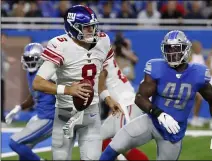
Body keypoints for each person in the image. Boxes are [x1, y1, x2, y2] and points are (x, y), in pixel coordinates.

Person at [100, 30, 212, 160]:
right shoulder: (157, 68)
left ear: (186, 49)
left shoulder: (197, 73)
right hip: (151, 121)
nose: (172, 53)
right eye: (169, 49)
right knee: (115, 145)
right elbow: (140, 98)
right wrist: (159, 114)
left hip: (174, 132)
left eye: (176, 48)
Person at [32, 5, 122, 160]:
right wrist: (68, 90)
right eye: (86, 28)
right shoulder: (60, 45)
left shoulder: (103, 41)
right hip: (65, 114)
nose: (91, 31)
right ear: (72, 27)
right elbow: (38, 83)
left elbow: (102, 72)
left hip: (91, 114)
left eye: (93, 27)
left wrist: (106, 96)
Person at [5, 43, 56, 161]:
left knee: (14, 143)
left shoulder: (49, 73)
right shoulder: (31, 73)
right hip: (40, 116)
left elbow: (62, 94)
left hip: (50, 118)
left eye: (33, 59)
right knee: (24, 152)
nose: (29, 62)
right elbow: (35, 95)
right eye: (27, 59)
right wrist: (19, 108)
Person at [99, 56, 148, 160]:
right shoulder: (101, 54)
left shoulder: (97, 57)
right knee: (97, 140)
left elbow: (101, 85)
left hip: (125, 104)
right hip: (124, 102)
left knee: (121, 146)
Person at [189, 41, 206, 127]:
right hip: (191, 82)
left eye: (200, 46)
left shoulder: (201, 57)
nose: (200, 48)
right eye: (198, 46)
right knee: (197, 99)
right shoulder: (190, 56)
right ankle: (194, 118)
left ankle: (195, 118)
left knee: (199, 100)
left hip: (199, 82)